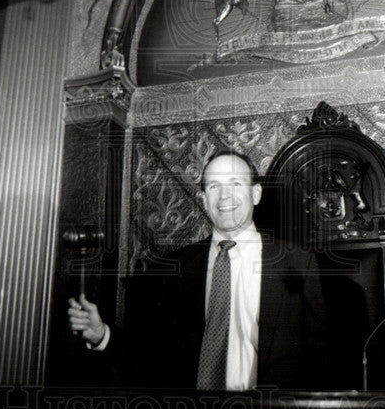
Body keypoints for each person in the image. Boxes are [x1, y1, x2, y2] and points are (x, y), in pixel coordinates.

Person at [67, 150, 335, 390]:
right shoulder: (173, 268)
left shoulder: (298, 262)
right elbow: (149, 352)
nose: (225, 196)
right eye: (214, 186)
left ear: (256, 194)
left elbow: (323, 356)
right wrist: (102, 334)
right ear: (204, 199)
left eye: (236, 184)